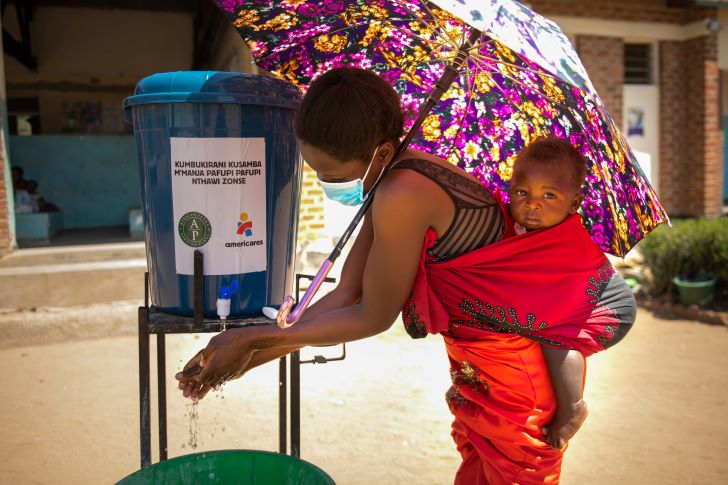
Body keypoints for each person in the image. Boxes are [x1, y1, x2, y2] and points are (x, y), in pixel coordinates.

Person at [177, 67, 564, 484]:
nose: (328, 183)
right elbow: (347, 293)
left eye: (338, 176)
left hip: (512, 379)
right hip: (477, 371)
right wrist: (248, 358)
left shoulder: (403, 192)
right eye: (318, 173)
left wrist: (249, 339)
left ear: (380, 153)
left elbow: (372, 316)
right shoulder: (394, 176)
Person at [505, 138, 636, 449]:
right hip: (578, 304)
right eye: (522, 192)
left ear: (573, 204)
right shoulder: (521, 226)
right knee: (543, 327)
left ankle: (573, 407)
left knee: (552, 334)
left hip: (609, 309)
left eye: (549, 195)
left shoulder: (566, 238)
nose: (532, 203)